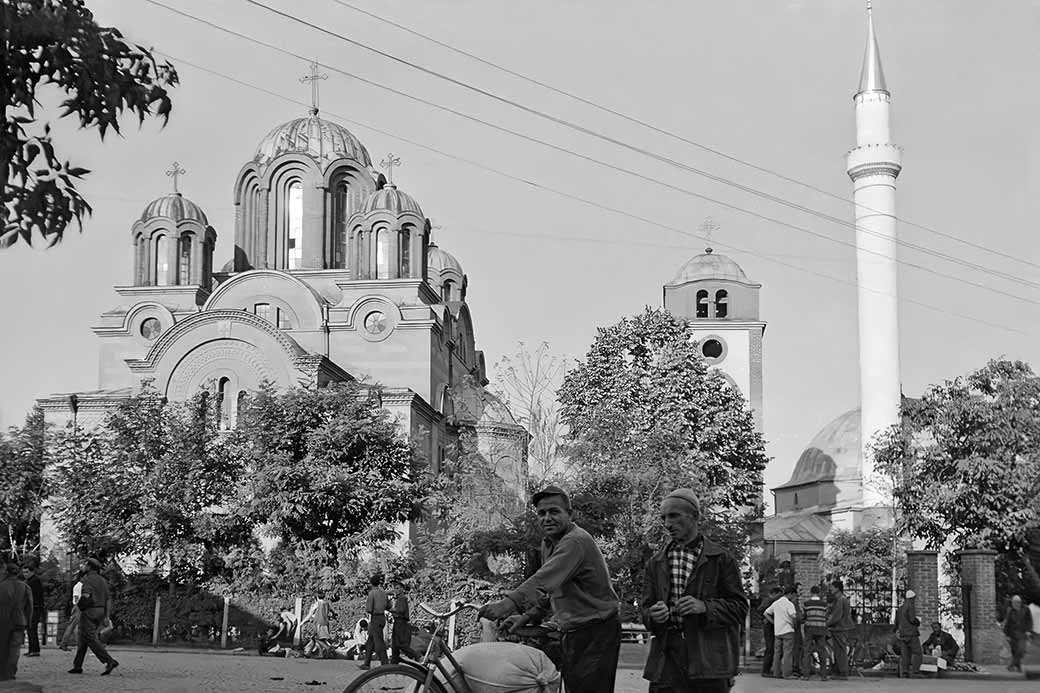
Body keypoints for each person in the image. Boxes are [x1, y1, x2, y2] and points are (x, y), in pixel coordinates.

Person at [479, 485, 621, 693]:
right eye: (542, 513)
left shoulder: (575, 541)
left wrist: (507, 605)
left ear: (569, 514)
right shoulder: (549, 544)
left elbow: (542, 580)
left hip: (596, 631)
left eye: (554, 511)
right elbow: (550, 590)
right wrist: (526, 617)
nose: (547, 518)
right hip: (572, 631)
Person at [639, 489, 748, 693]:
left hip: (709, 661)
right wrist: (653, 615)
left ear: (695, 516)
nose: (667, 524)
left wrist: (705, 607)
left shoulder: (721, 558)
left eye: (674, 516)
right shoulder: (656, 562)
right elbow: (645, 611)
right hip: (667, 659)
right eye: (663, 517)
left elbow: (740, 608)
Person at [68, 558, 118, 676]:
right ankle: (77, 665)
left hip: (90, 611)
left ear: (89, 567)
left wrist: (79, 606)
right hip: (101, 610)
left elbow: (86, 595)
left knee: (89, 637)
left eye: (85, 564)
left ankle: (109, 661)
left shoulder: (86, 579)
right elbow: (108, 598)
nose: (82, 566)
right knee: (83, 636)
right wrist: (107, 615)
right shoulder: (102, 580)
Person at [0, 561, 33, 681]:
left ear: (6, 572)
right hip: (20, 620)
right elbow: (30, 607)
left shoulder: (1, 586)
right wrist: (29, 622)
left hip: (3, 620)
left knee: (2, 646)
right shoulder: (25, 587)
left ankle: (2, 672)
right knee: (15, 648)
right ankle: (10, 673)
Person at [763, 584, 799, 680]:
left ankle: (776, 672)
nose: (795, 597)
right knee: (788, 652)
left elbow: (766, 613)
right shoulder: (789, 604)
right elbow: (793, 616)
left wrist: (773, 622)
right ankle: (787, 673)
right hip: (788, 630)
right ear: (791, 594)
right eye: (794, 595)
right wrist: (794, 626)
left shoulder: (776, 603)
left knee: (777, 653)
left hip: (777, 631)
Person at [800, 585, 830, 681]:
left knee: (807, 651)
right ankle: (823, 675)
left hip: (809, 628)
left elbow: (804, 617)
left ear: (811, 593)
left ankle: (806, 675)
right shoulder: (824, 604)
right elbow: (826, 616)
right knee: (822, 651)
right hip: (821, 628)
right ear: (819, 593)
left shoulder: (806, 603)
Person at [360, 574, 389, 669]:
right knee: (370, 642)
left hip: (375, 618)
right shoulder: (384, 592)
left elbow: (369, 609)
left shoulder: (372, 593)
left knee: (378, 642)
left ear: (371, 583)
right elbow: (388, 606)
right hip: (382, 617)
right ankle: (366, 663)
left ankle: (385, 663)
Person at [826, 579, 854, 680]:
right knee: (839, 650)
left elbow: (836, 616)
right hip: (841, 628)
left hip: (840, 628)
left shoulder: (841, 600)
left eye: (832, 587)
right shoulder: (841, 599)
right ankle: (839, 671)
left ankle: (842, 672)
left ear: (837, 588)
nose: (830, 589)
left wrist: (827, 624)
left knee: (840, 651)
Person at [895, 590, 922, 678]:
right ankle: (915, 671)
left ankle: (905, 672)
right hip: (911, 634)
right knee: (917, 652)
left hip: (903, 634)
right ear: (912, 598)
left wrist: (896, 630)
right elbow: (912, 619)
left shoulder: (900, 608)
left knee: (905, 654)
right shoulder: (910, 606)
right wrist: (918, 622)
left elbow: (896, 622)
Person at [1003, 594, 1033, 673]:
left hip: (1023, 633)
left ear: (1019, 602)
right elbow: (1007, 623)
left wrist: (1028, 630)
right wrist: (1006, 635)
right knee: (1015, 651)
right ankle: (1018, 667)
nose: (1014, 604)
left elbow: (1029, 621)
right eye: (1013, 603)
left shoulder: (1026, 609)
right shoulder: (1011, 611)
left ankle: (1011, 665)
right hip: (1013, 634)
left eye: (1016, 603)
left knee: (1021, 650)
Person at [389, 580, 417, 664]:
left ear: (402, 589)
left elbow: (400, 610)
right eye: (394, 588)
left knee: (400, 643)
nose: (395, 590)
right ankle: (394, 661)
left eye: (397, 588)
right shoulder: (398, 599)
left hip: (401, 622)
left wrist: (390, 609)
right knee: (394, 644)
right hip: (397, 621)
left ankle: (416, 656)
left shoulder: (402, 598)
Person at [21, 563, 44, 657]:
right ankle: (33, 649)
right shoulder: (30, 581)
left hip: (35, 607)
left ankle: (34, 650)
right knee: (31, 629)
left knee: (32, 628)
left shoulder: (34, 581)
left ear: (32, 572)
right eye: (23, 572)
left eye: (26, 572)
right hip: (33, 607)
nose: (25, 574)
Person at [59, 569, 84, 651]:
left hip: (77, 606)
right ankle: (65, 643)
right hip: (79, 607)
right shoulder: (79, 586)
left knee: (74, 626)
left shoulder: (78, 585)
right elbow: (76, 598)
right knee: (74, 626)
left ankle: (65, 643)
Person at [759, 586, 781, 677]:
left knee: (772, 647)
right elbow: (760, 610)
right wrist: (768, 619)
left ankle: (768, 669)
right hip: (769, 626)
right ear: (774, 594)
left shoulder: (772, 601)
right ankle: (765, 670)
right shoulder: (768, 601)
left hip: (772, 626)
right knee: (770, 647)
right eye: (779, 595)